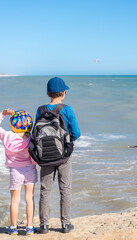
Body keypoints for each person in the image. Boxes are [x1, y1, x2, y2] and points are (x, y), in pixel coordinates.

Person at [37, 77, 80, 234]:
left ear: (48, 93)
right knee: (65, 188)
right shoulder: (67, 109)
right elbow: (76, 133)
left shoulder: (40, 110)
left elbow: (36, 133)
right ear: (63, 93)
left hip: (45, 156)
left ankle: (44, 225)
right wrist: (66, 142)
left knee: (45, 190)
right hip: (63, 156)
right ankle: (66, 224)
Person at [0, 109, 38, 235]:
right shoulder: (32, 138)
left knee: (15, 201)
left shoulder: (7, 136)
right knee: (29, 198)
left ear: (12, 124)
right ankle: (29, 227)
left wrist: (2, 114)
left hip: (15, 171)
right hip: (30, 169)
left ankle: (13, 228)